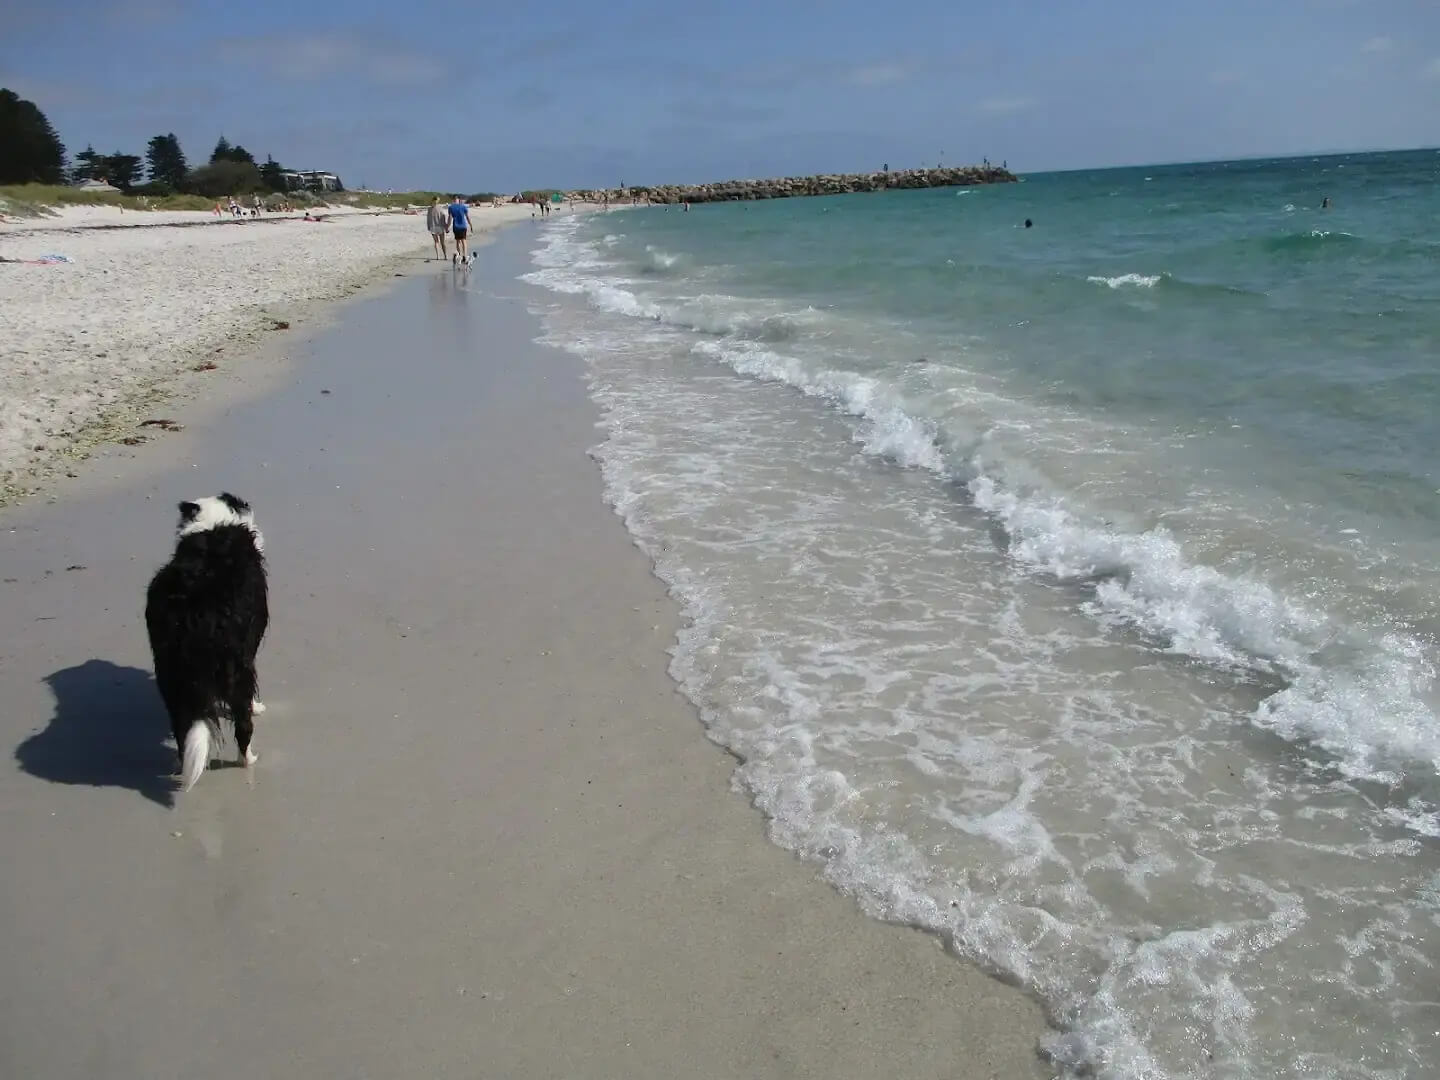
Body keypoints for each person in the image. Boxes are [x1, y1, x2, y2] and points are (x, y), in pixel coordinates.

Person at [448, 195, 472, 266]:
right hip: (463, 226)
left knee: (458, 241)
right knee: (464, 241)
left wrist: (447, 227)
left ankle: (459, 256)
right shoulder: (463, 207)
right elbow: (467, 217)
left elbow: (449, 218)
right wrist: (471, 225)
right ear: (458, 200)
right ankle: (465, 256)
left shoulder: (451, 207)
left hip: (456, 227)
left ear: (453, 200)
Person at [426, 196, 449, 261]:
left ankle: (438, 256)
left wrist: (428, 226)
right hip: (440, 227)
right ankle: (445, 256)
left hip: (433, 227)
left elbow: (428, 219)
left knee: (436, 242)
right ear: (437, 201)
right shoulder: (440, 208)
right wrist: (446, 227)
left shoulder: (430, 209)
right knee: (442, 243)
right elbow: (443, 218)